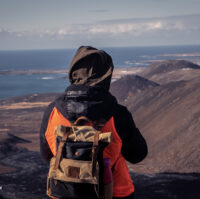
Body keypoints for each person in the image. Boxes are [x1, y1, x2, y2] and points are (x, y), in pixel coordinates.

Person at [40, 46, 148, 199]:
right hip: (113, 192)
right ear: (106, 76)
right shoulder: (117, 113)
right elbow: (138, 155)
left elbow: (47, 156)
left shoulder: (52, 112)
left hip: (64, 192)